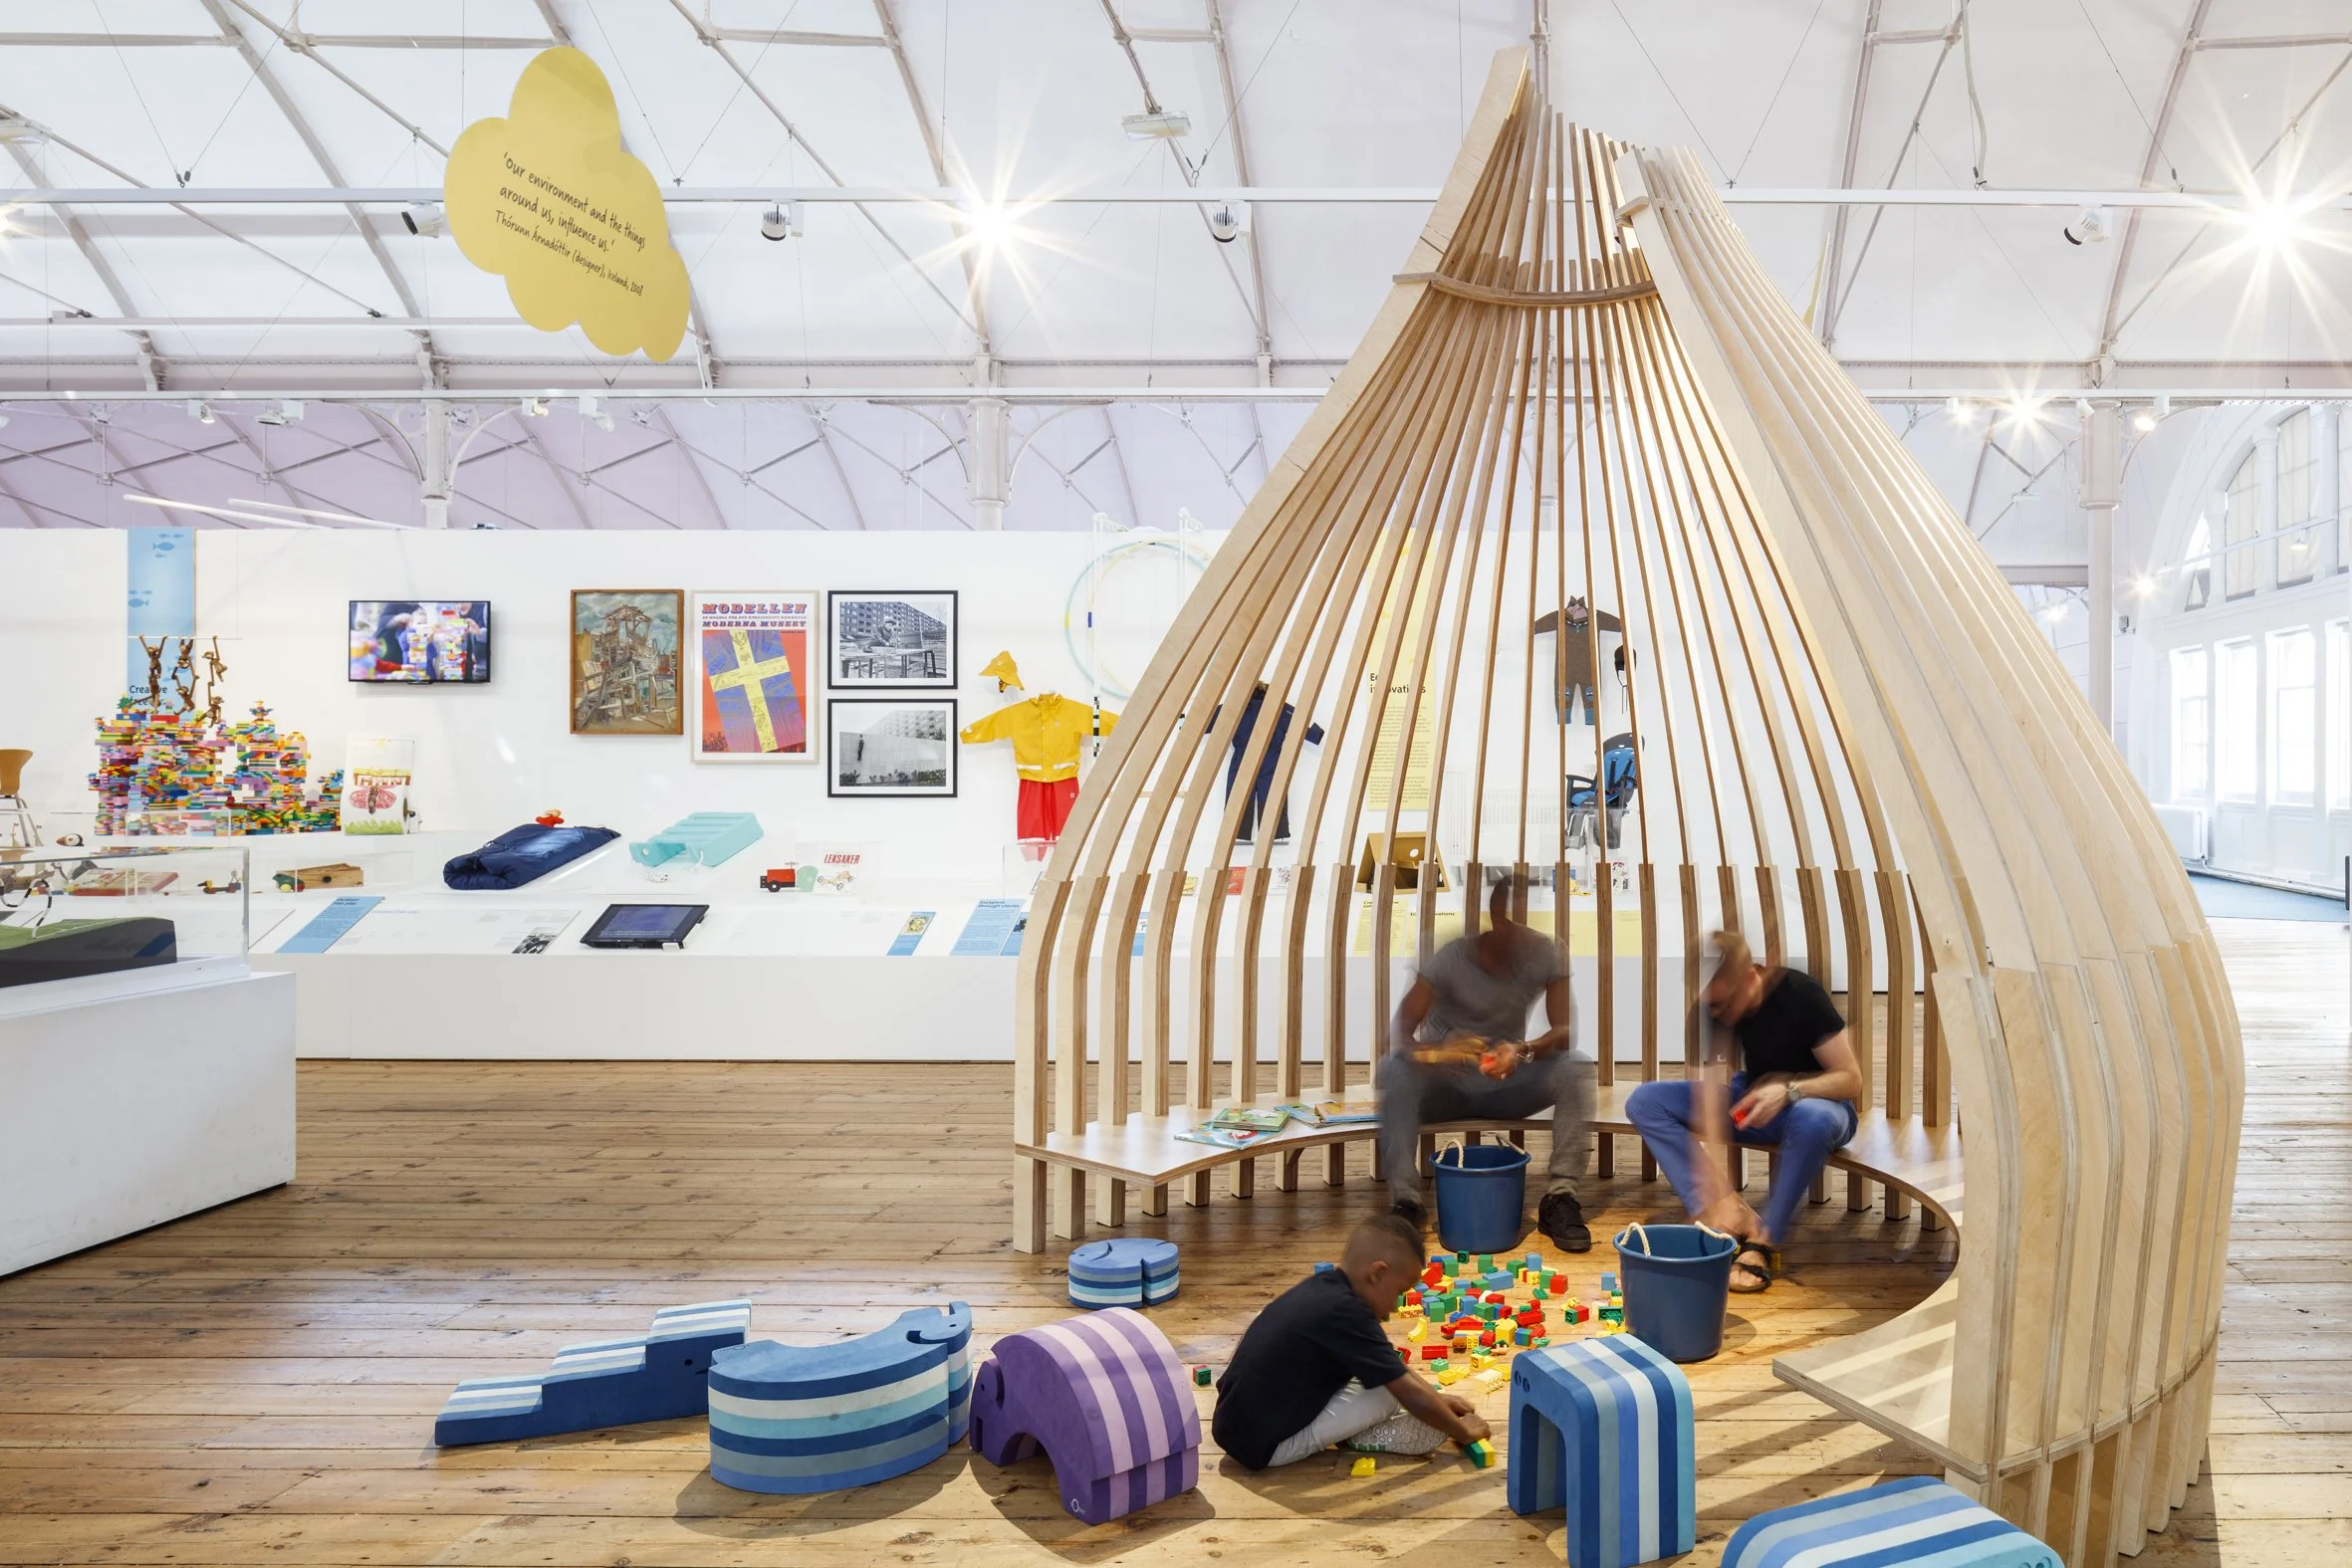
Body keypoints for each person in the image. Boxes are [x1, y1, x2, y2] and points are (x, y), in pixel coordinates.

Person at [1623, 932, 1865, 1292]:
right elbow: (1709, 1096)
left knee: (1811, 1118)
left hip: (1819, 1107)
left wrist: (1788, 1091)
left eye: (1724, 1005)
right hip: (1751, 1103)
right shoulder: (1714, 1004)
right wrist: (1719, 1193)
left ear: (1752, 977)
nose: (1717, 1014)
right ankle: (1732, 1215)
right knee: (1645, 1101)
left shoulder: (1802, 995)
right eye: (1710, 1007)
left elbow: (1850, 1080)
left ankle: (1764, 1243)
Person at [1377, 874, 1595, 1252]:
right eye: (1514, 921)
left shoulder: (1548, 952)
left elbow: (1563, 1033)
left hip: (1507, 1082)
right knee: (1395, 1069)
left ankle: (1560, 1198)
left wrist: (1521, 1050)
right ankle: (1407, 1202)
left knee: (1574, 1068)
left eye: (1531, 921)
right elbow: (1399, 1033)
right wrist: (1436, 1052)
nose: (1525, 933)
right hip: (1446, 1086)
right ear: (1496, 918)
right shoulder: (1450, 958)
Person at [1213, 1215, 1490, 1469]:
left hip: (1236, 1424)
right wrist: (1463, 1431)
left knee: (1383, 1371)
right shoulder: (1350, 1315)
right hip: (1266, 1448)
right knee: (1386, 1393)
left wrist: (1438, 1400)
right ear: (1377, 1274)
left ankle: (1352, 1425)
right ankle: (1362, 1436)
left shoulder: (1327, 1289)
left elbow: (1391, 1366)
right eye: (1399, 1292)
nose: (1395, 1306)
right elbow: (1405, 1390)